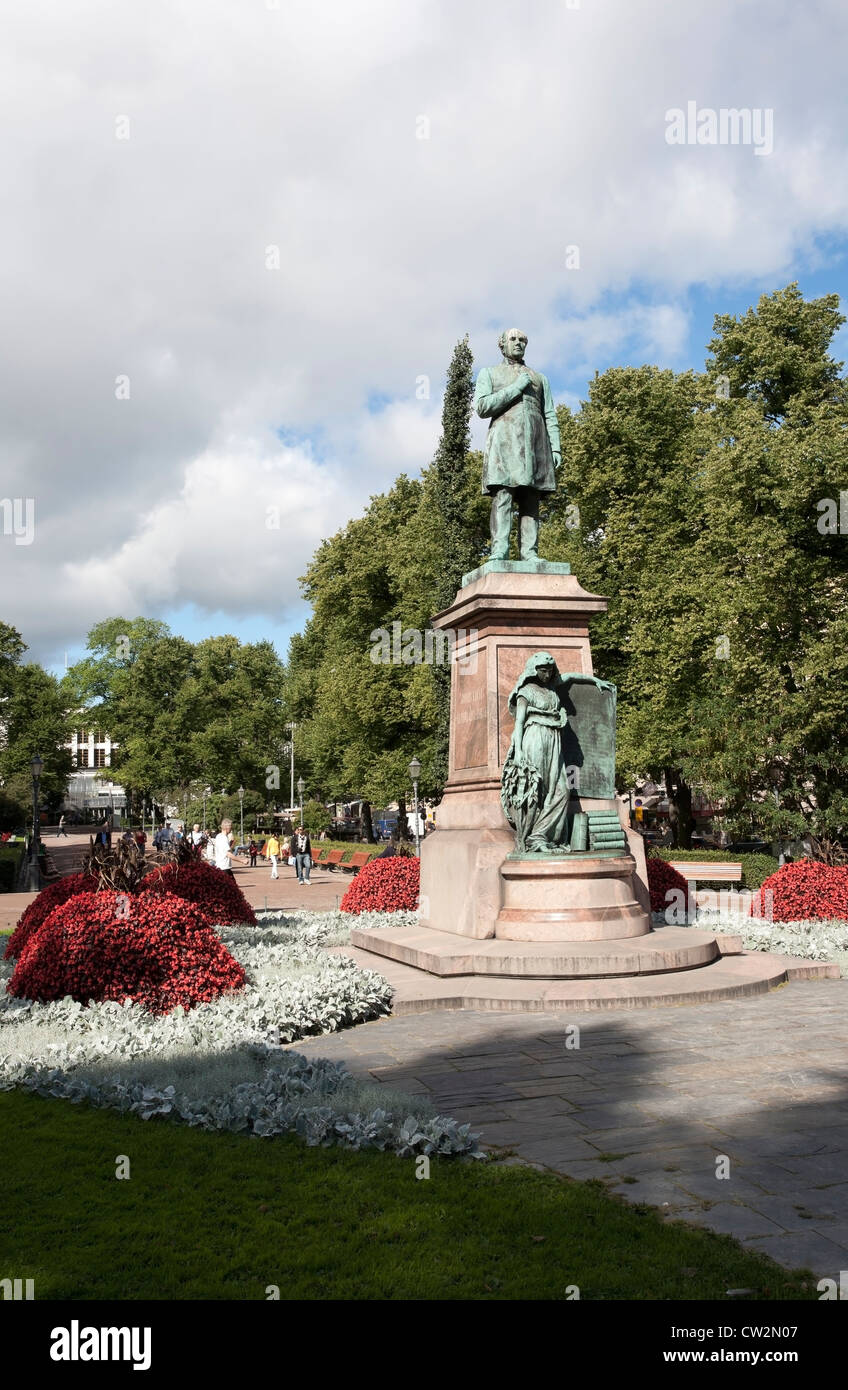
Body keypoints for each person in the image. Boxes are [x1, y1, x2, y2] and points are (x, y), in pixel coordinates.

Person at [475, 328, 560, 561]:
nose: (518, 343)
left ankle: (530, 553)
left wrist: (556, 447)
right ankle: (499, 551)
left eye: (523, 340)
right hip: (504, 444)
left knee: (530, 499)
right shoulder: (489, 373)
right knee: (503, 494)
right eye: (513, 339)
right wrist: (515, 388)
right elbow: (482, 408)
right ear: (502, 345)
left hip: (535, 445)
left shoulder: (540, 378)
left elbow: (549, 414)